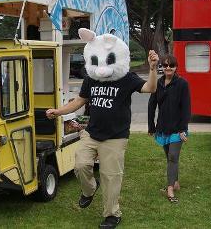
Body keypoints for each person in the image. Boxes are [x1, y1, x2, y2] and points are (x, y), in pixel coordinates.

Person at [47, 28, 159, 229]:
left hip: (116, 137)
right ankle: (89, 189)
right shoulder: (92, 79)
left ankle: (112, 215)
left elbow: (150, 88)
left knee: (111, 177)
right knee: (80, 165)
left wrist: (153, 68)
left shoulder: (127, 78)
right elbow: (79, 101)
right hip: (92, 133)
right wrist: (59, 111)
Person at [148, 54, 191, 204]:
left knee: (173, 156)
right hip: (163, 127)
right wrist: (151, 126)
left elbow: (186, 108)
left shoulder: (182, 84)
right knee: (170, 157)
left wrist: (182, 129)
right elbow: (151, 105)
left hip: (177, 129)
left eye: (171, 65)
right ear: (162, 67)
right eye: (165, 65)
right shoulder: (158, 83)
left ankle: (170, 188)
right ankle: (176, 182)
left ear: (176, 67)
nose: (168, 68)